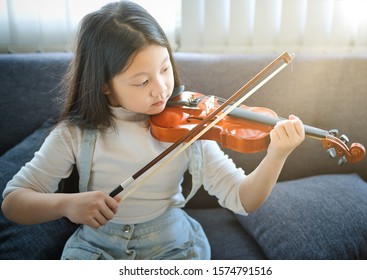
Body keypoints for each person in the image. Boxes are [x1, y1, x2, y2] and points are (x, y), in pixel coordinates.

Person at [1, 1, 304, 260]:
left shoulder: (192, 127)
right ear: (104, 84)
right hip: (97, 250)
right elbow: (14, 202)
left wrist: (276, 156)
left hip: (173, 247)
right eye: (142, 81)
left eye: (164, 69)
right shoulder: (75, 134)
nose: (161, 90)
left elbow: (243, 198)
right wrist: (68, 205)